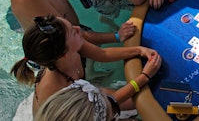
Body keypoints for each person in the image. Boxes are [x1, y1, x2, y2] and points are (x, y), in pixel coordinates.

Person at [10, 14, 162, 116]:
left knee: (137, 103)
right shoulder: (57, 89)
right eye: (72, 31)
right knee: (141, 108)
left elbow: (103, 54)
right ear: (64, 54)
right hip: (71, 114)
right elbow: (107, 104)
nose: (78, 29)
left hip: (88, 97)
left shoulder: (69, 48)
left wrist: (139, 50)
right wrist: (144, 76)